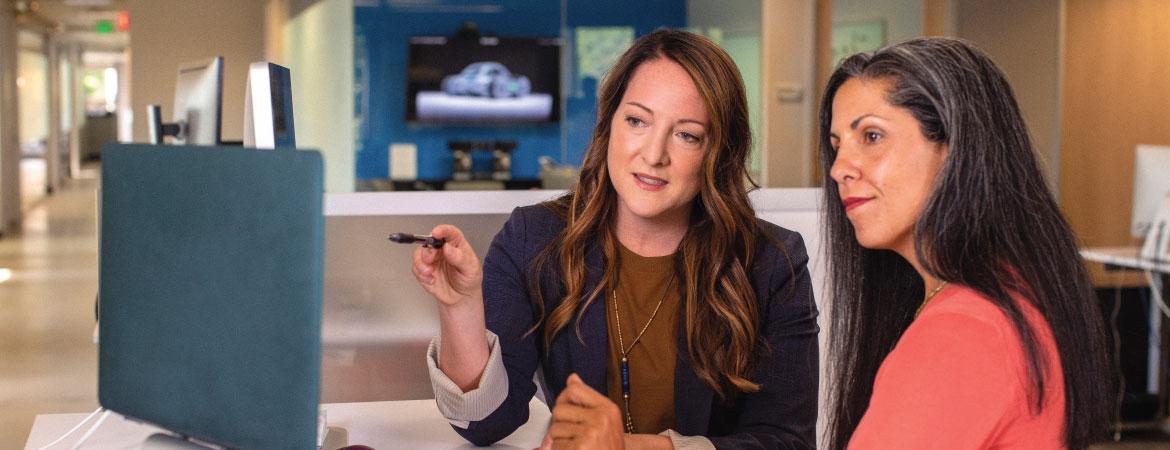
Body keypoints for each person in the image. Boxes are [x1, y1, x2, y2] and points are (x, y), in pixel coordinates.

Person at [410, 29, 818, 449]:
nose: (653, 154)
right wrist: (460, 308)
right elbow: (484, 424)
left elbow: (786, 441)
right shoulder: (534, 238)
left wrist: (628, 447)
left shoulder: (772, 262)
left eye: (687, 134)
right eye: (637, 121)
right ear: (610, 125)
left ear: (719, 151)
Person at [819, 37, 1114, 449]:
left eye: (871, 136)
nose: (839, 169)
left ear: (957, 149)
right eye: (836, 146)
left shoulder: (965, 330)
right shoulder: (1010, 292)